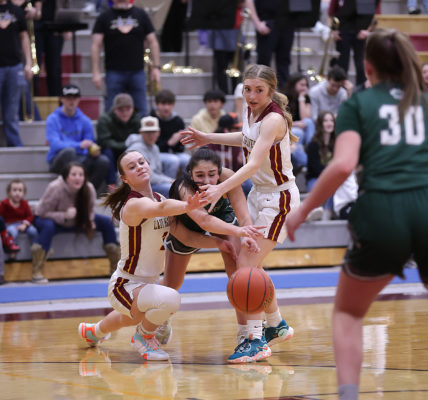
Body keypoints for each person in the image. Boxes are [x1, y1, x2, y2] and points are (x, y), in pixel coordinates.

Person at [285, 29, 428, 400]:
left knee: (348, 313)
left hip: (383, 210)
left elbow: (343, 165)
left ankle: (349, 395)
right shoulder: (424, 100)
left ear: (367, 67)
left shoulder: (358, 104)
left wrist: (302, 210)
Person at [181, 64, 298, 363]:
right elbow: (245, 138)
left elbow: (253, 163)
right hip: (259, 194)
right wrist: (208, 137)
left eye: (259, 90)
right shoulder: (251, 112)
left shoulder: (273, 119)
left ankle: (255, 340)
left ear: (271, 91)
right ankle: (276, 324)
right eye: (247, 89)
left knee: (245, 267)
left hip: (279, 199)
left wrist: (219, 189)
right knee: (250, 264)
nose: (252, 95)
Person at [78, 150, 235, 360]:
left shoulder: (159, 198)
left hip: (147, 284)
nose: (139, 167)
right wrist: (188, 205)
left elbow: (186, 237)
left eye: (141, 162)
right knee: (170, 298)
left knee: (133, 317)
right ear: (125, 179)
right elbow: (161, 207)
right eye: (132, 167)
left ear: (149, 165)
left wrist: (219, 243)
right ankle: (143, 337)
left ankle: (93, 331)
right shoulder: (134, 204)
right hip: (126, 284)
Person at [160, 147, 262, 344]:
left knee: (238, 273)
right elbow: (204, 222)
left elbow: (243, 214)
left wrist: (248, 233)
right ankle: (158, 318)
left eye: (212, 174)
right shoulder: (184, 188)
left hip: (221, 217)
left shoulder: (228, 177)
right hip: (186, 229)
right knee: (172, 285)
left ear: (219, 171)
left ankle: (245, 332)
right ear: (190, 173)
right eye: (199, 175)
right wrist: (221, 240)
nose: (206, 181)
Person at [34, 162, 120, 283]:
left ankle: (115, 269)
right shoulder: (55, 187)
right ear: (66, 177)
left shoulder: (88, 188)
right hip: (53, 220)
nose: (78, 178)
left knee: (106, 222)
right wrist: (64, 215)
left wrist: (89, 220)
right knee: (48, 226)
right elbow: (40, 212)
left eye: (81, 175)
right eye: (74, 174)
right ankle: (37, 271)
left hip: (77, 220)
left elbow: (91, 210)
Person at [91, 0, 161, 116]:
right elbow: (96, 45)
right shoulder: (104, 17)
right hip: (113, 71)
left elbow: (153, 41)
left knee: (141, 111)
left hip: (137, 71)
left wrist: (156, 67)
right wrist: (95, 72)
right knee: (111, 111)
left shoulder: (140, 14)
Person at [45, 84, 110, 194]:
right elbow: (55, 145)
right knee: (69, 152)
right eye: (68, 98)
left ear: (79, 99)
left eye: (74, 98)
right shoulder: (53, 119)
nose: (72, 101)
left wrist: (94, 151)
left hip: (81, 159)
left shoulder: (85, 120)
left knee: (103, 161)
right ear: (62, 99)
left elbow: (89, 143)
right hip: (59, 160)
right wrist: (79, 145)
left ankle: (86, 193)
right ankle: (72, 192)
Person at [0, 0, 32, 147]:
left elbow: (24, 37)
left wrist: (29, 63)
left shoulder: (16, 11)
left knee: (12, 110)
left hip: (14, 65)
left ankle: (14, 144)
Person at [245, 0, 294, 90]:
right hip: (266, 21)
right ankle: (261, 89)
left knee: (284, 60)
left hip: (287, 22)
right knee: (264, 60)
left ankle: (284, 91)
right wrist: (257, 23)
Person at [328, 0, 380, 86]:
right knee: (342, 63)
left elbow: (374, 15)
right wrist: (333, 31)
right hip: (342, 31)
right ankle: (341, 87)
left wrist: (367, 30)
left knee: (360, 64)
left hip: (360, 31)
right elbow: (331, 13)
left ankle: (362, 88)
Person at [96, 93, 141, 188]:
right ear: (114, 109)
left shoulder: (137, 119)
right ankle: (112, 185)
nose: (125, 113)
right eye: (121, 109)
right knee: (107, 152)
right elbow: (104, 142)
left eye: (128, 109)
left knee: (138, 150)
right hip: (112, 152)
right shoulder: (105, 119)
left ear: (133, 108)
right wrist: (124, 145)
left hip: (129, 151)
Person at [125, 116, 174, 198]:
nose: (151, 135)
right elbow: (146, 176)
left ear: (158, 132)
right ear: (141, 132)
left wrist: (171, 181)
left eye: (153, 132)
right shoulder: (136, 148)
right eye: (147, 132)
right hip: (134, 188)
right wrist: (170, 181)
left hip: (147, 183)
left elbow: (157, 172)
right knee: (172, 188)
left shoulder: (155, 147)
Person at [208, 113, 252, 196]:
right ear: (226, 130)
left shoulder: (239, 142)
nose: (238, 131)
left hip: (234, 177)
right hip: (215, 178)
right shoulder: (211, 143)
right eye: (235, 128)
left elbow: (241, 168)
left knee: (249, 185)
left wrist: (241, 162)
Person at [149, 89, 190, 177]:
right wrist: (169, 143)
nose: (166, 107)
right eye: (163, 104)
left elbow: (181, 149)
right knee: (173, 161)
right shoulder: (151, 119)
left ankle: (186, 183)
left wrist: (181, 139)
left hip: (173, 153)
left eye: (169, 104)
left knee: (187, 159)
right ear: (156, 104)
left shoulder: (178, 120)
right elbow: (151, 146)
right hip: (154, 154)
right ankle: (169, 184)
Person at [282, 72, 316, 172]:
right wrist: (296, 124)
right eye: (302, 85)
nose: (304, 88)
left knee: (308, 122)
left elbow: (305, 118)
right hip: (288, 128)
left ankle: (311, 150)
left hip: (304, 130)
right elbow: (280, 120)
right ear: (294, 84)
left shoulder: (306, 98)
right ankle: (308, 162)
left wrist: (301, 99)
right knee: (298, 133)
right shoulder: (284, 98)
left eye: (306, 85)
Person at [305, 111, 336, 220]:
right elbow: (315, 168)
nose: (329, 123)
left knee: (333, 184)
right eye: (325, 120)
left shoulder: (337, 142)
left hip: (331, 178)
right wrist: (330, 169)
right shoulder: (313, 144)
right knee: (320, 186)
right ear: (320, 124)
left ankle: (327, 213)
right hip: (315, 178)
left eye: (331, 120)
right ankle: (315, 211)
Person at [0, 179, 38, 262]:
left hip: (22, 223)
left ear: (24, 193)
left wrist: (24, 224)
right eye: (14, 190)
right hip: (9, 224)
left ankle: (35, 251)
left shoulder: (24, 203)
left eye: (20, 190)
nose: (17, 193)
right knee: (12, 232)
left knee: (33, 231)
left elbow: (30, 216)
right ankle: (13, 252)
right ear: (9, 192)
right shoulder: (4, 203)